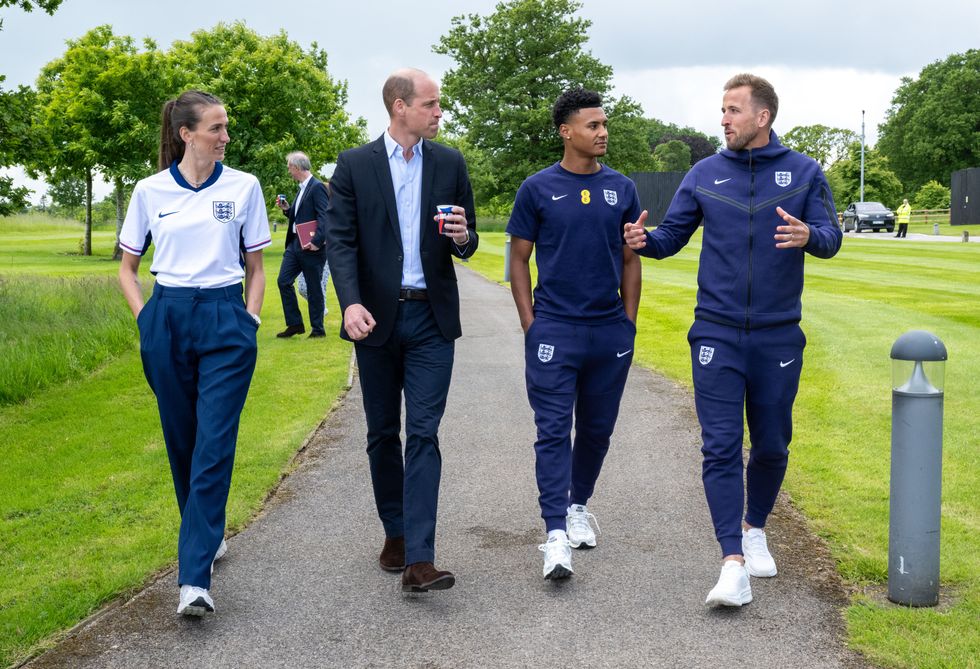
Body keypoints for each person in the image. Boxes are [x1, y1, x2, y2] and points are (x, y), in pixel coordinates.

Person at [624, 73, 842, 608]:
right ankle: (732, 563)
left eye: (733, 110)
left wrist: (809, 236)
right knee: (720, 446)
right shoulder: (704, 173)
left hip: (777, 336)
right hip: (716, 332)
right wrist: (643, 241)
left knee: (771, 443)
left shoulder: (804, 172)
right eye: (722, 110)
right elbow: (672, 237)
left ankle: (755, 528)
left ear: (762, 117)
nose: (723, 119)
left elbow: (831, 238)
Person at [118, 90, 271, 616]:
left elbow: (255, 267)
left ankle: (194, 580)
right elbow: (128, 268)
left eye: (225, 128)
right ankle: (207, 533)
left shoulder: (244, 186)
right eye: (216, 128)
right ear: (187, 134)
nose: (226, 137)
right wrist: (147, 319)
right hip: (168, 317)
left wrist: (249, 320)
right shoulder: (149, 190)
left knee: (214, 443)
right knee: (182, 441)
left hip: (226, 320)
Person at [325, 68, 478, 593]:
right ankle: (394, 530)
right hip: (376, 320)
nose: (440, 113)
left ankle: (420, 557)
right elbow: (339, 242)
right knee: (382, 432)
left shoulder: (450, 162)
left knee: (424, 432)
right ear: (399, 107)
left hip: (432, 318)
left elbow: (468, 238)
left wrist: (463, 237)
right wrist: (349, 304)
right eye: (432, 104)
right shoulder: (353, 166)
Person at [507, 88, 641, 580]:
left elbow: (630, 260)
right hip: (554, 330)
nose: (602, 132)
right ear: (566, 131)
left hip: (609, 333)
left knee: (598, 430)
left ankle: (577, 505)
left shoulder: (622, 189)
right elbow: (518, 260)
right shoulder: (537, 188)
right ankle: (554, 535)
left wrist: (628, 322)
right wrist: (530, 322)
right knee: (552, 430)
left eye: (604, 125)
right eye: (593, 125)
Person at [275, 151, 330, 338]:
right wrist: (287, 210)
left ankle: (318, 329)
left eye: (290, 167)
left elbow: (325, 216)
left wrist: (317, 242)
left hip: (311, 247)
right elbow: (300, 217)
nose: (289, 171)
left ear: (297, 167)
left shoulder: (317, 187)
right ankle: (295, 324)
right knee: (283, 281)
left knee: (314, 288)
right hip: (294, 245)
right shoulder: (302, 188)